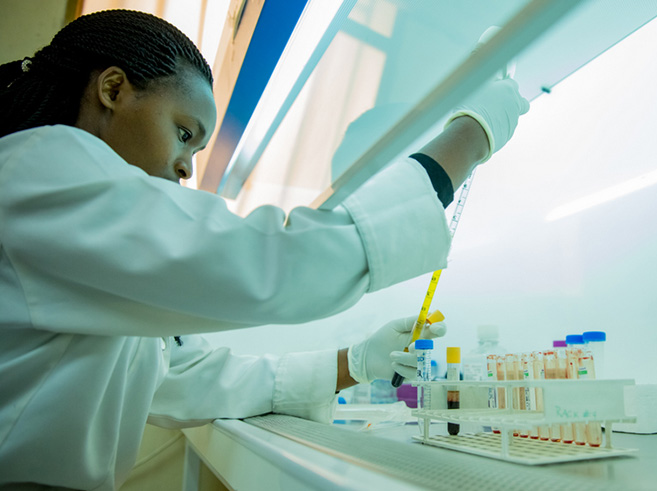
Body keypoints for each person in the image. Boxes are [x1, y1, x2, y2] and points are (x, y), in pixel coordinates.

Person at [0, 9, 529, 490]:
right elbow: (272, 264)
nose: (186, 167)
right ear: (113, 89)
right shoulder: (42, 168)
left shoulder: (68, 216)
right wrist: (471, 134)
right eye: (184, 132)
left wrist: (355, 362)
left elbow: (178, 377)